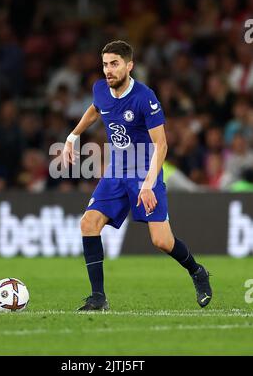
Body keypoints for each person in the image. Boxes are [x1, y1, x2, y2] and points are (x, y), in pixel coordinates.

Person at [62, 40, 212, 311]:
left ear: (129, 66)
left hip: (145, 172)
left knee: (161, 241)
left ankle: (197, 271)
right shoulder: (100, 89)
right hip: (117, 172)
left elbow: (162, 145)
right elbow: (96, 109)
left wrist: (148, 184)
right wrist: (73, 136)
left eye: (115, 64)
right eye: (105, 64)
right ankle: (98, 298)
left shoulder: (145, 97)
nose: (108, 70)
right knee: (88, 224)